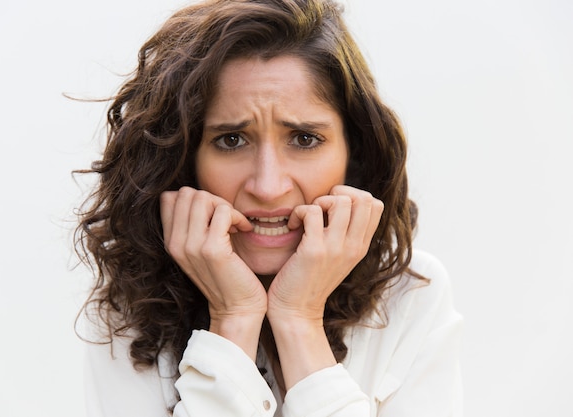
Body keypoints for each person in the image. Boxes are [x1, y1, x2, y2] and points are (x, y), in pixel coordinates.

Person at [75, 0, 463, 416]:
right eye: (231, 140)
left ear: (356, 154)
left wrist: (299, 320)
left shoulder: (410, 296)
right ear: (184, 161)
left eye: (303, 139)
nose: (268, 186)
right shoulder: (128, 309)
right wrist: (233, 318)